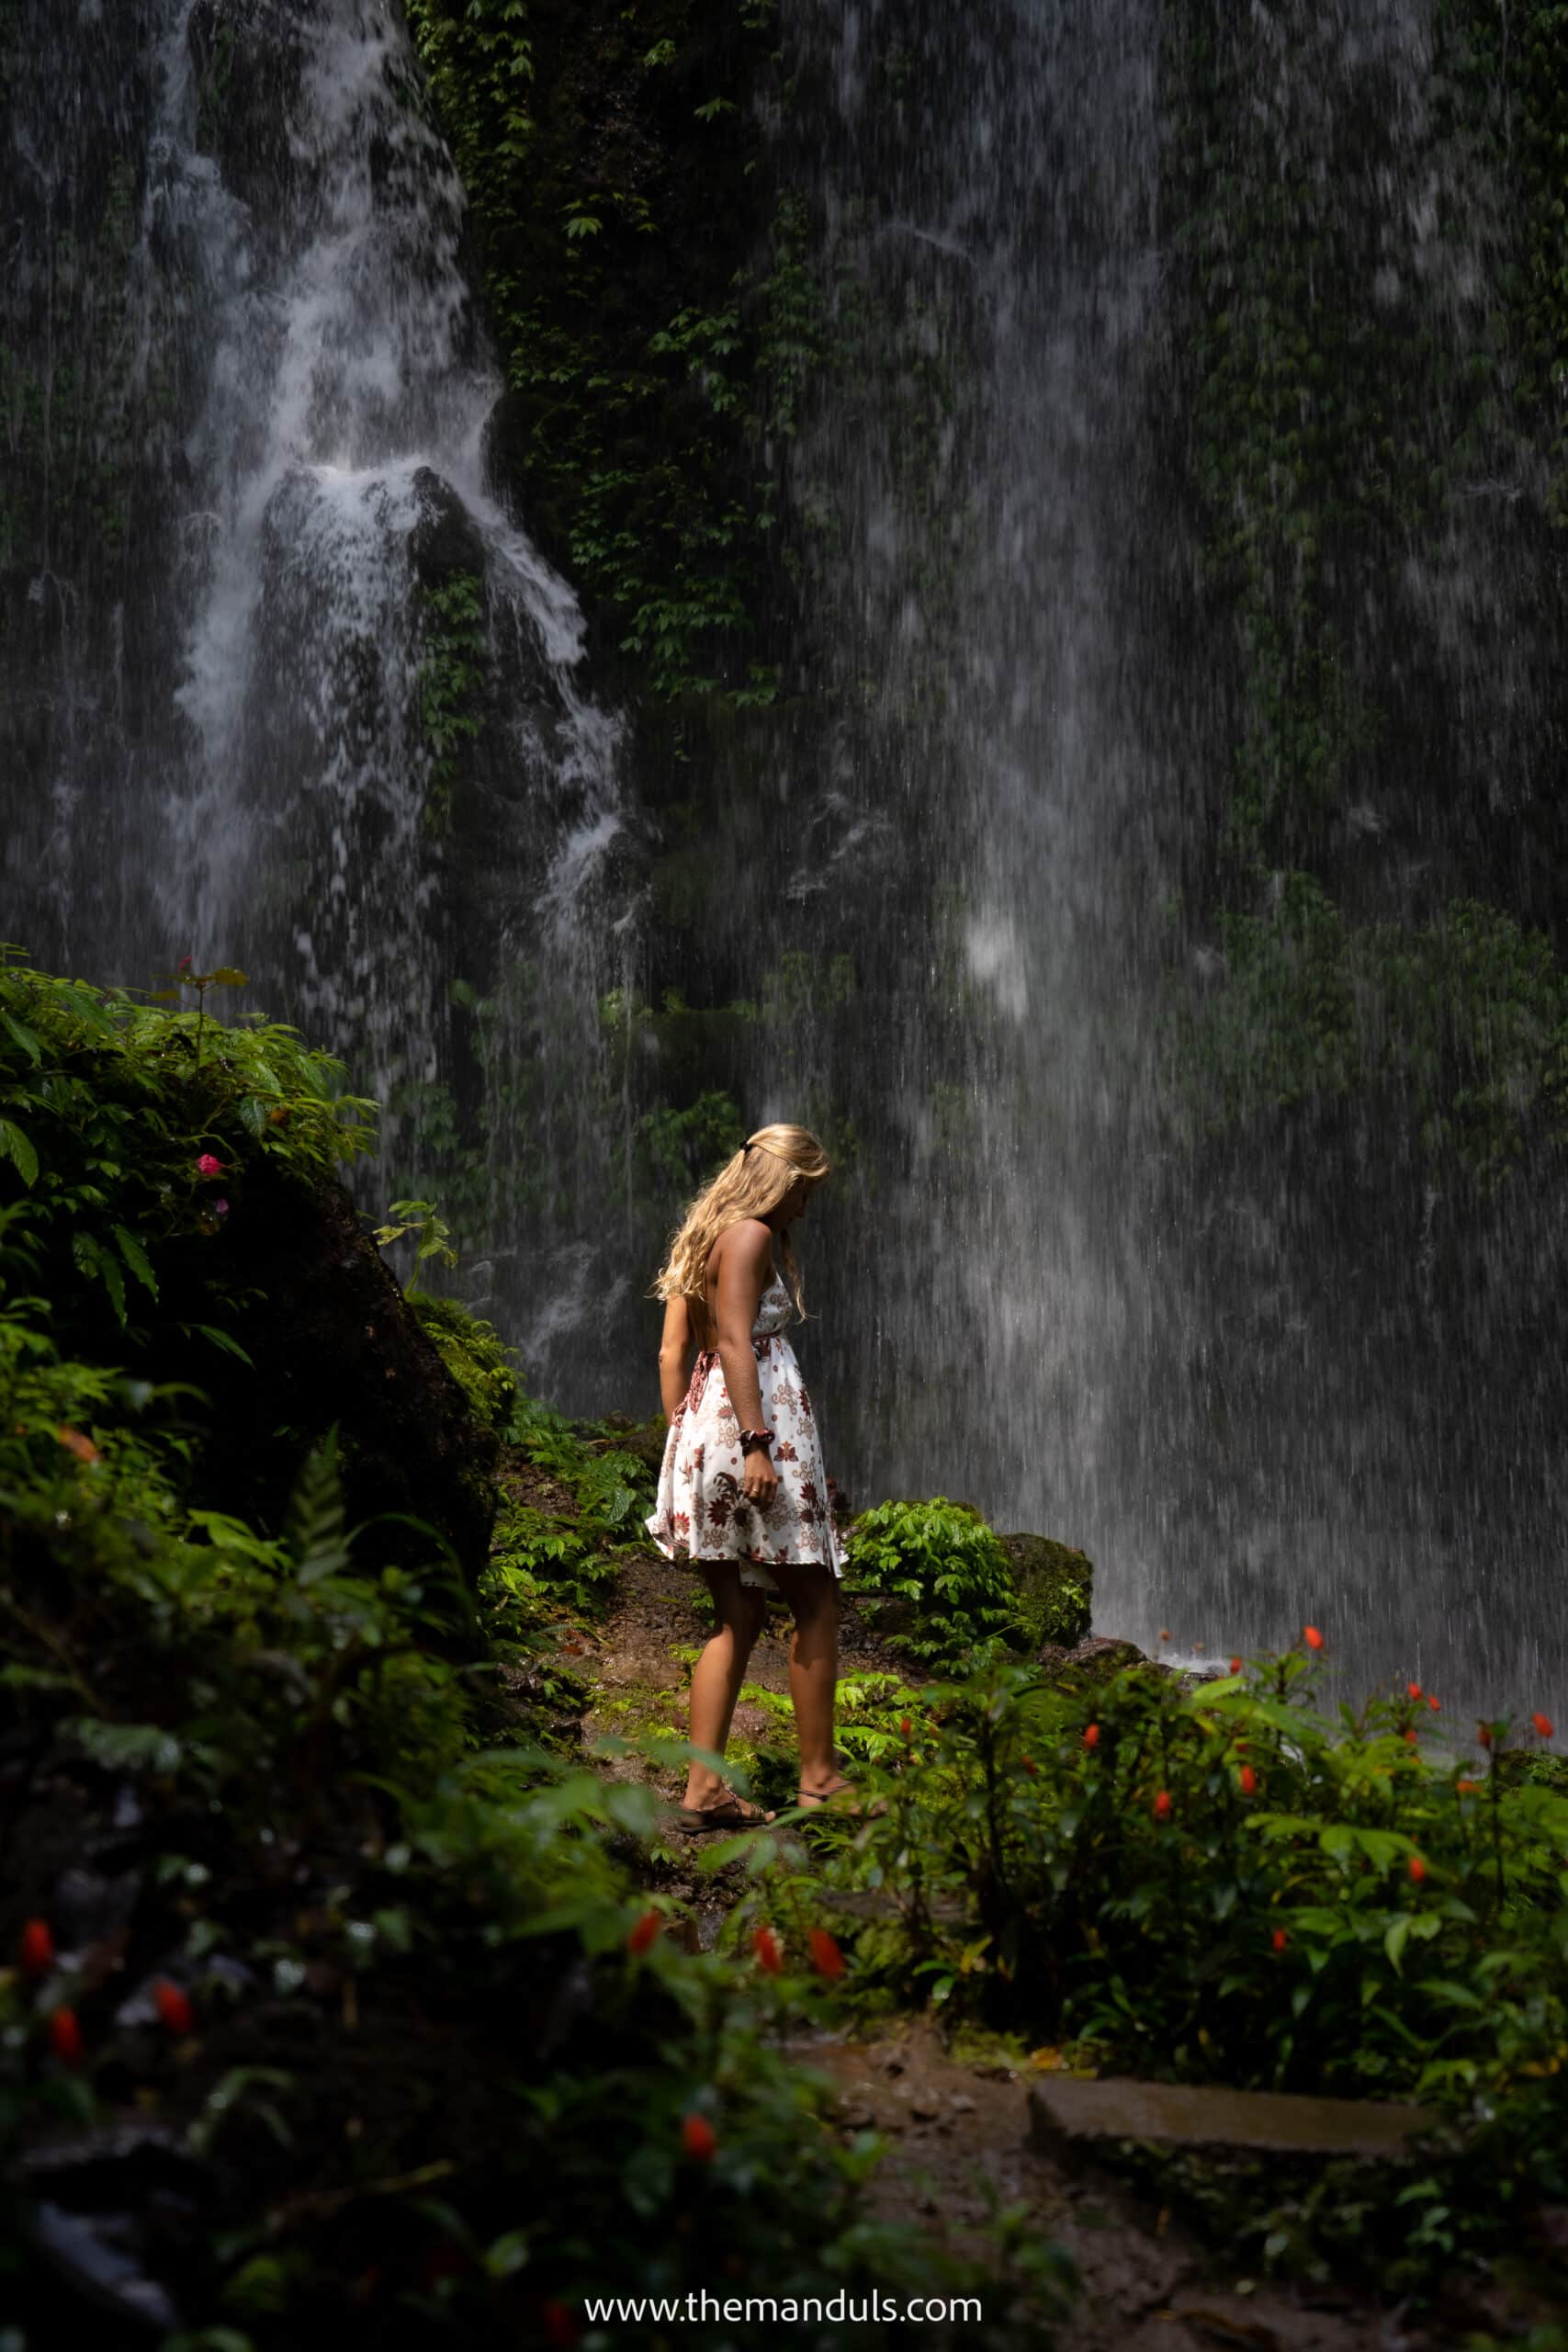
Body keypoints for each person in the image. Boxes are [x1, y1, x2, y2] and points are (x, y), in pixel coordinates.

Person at [647, 1123, 859, 1828]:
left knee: (737, 1615)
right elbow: (737, 1340)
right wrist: (755, 1444)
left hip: (710, 1428)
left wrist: (685, 1441)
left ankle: (703, 1791)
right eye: (807, 1190)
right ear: (785, 1180)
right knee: (817, 1601)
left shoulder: (704, 1237)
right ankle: (819, 1779)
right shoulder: (750, 1237)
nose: (807, 1206)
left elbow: (672, 1351)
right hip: (751, 1432)